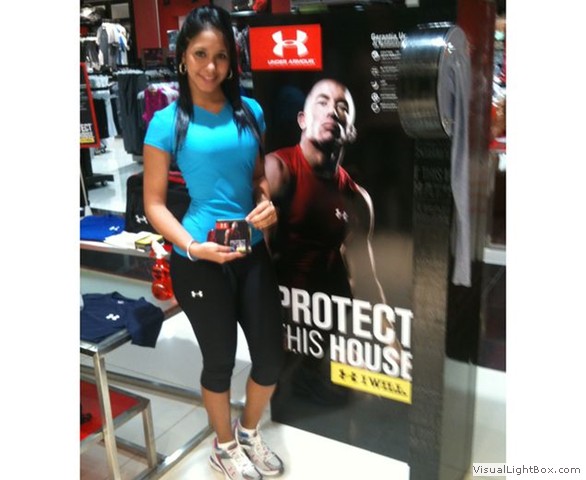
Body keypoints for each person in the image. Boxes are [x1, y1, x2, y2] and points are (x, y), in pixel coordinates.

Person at [142, 6, 284, 480]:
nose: (211, 67)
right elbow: (154, 203)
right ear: (183, 56)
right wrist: (190, 247)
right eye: (200, 54)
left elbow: (258, 178)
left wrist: (265, 201)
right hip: (199, 258)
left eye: (221, 56)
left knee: (270, 359)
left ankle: (248, 431)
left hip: (251, 250)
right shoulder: (166, 121)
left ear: (232, 60)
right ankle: (223, 447)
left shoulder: (251, 111)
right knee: (220, 360)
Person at [265, 78, 385, 308]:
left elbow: (367, 279)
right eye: (322, 103)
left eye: (342, 107)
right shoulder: (278, 170)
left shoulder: (357, 197)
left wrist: (387, 328)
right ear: (302, 120)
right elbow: (258, 256)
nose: (332, 111)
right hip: (287, 312)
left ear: (350, 131)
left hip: (335, 314)